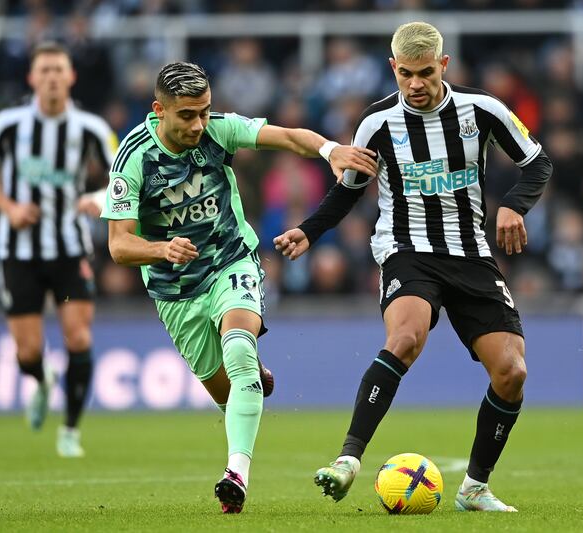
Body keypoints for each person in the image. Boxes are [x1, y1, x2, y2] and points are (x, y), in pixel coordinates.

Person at [274, 21, 553, 512]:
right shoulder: (376, 124)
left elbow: (537, 162)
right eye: (406, 74)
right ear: (393, 68)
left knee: (511, 373)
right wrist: (309, 230)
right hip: (406, 248)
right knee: (405, 338)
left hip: (470, 254)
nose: (416, 84)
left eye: (425, 73)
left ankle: (474, 488)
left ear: (443, 65)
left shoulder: (482, 110)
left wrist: (514, 204)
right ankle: (347, 461)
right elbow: (348, 191)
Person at [102, 61, 377, 514]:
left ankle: (236, 475)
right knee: (228, 393)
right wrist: (162, 250)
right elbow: (119, 245)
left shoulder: (219, 130)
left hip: (232, 261)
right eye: (187, 115)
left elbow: (289, 137)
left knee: (238, 350)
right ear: (159, 110)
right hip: (176, 291)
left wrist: (330, 150)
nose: (198, 124)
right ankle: (249, 373)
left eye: (205, 112)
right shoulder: (134, 157)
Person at [0, 42, 117, 458]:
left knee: (79, 336)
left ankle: (70, 430)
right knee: (27, 351)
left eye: (58, 70)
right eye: (44, 70)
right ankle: (42, 378)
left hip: (69, 249)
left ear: (71, 77)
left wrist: (99, 198)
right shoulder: (8, 125)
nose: (52, 77)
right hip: (18, 253)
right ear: (32, 78)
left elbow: (125, 177)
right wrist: (8, 207)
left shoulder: (90, 127)